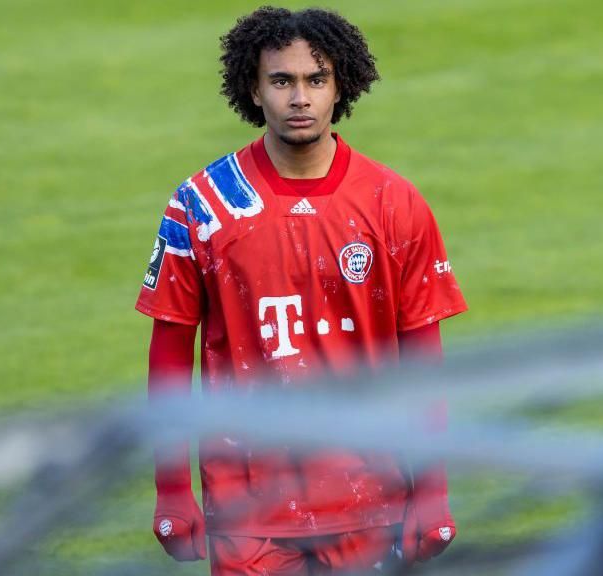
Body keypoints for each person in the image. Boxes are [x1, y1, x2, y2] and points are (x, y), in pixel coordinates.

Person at [135, 7, 467, 574]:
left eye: (317, 80)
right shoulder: (201, 205)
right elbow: (170, 353)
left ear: (342, 87)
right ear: (254, 88)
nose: (300, 98)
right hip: (247, 507)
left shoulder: (395, 204)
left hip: (371, 497)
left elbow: (422, 358)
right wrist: (171, 488)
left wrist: (432, 487)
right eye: (282, 81)